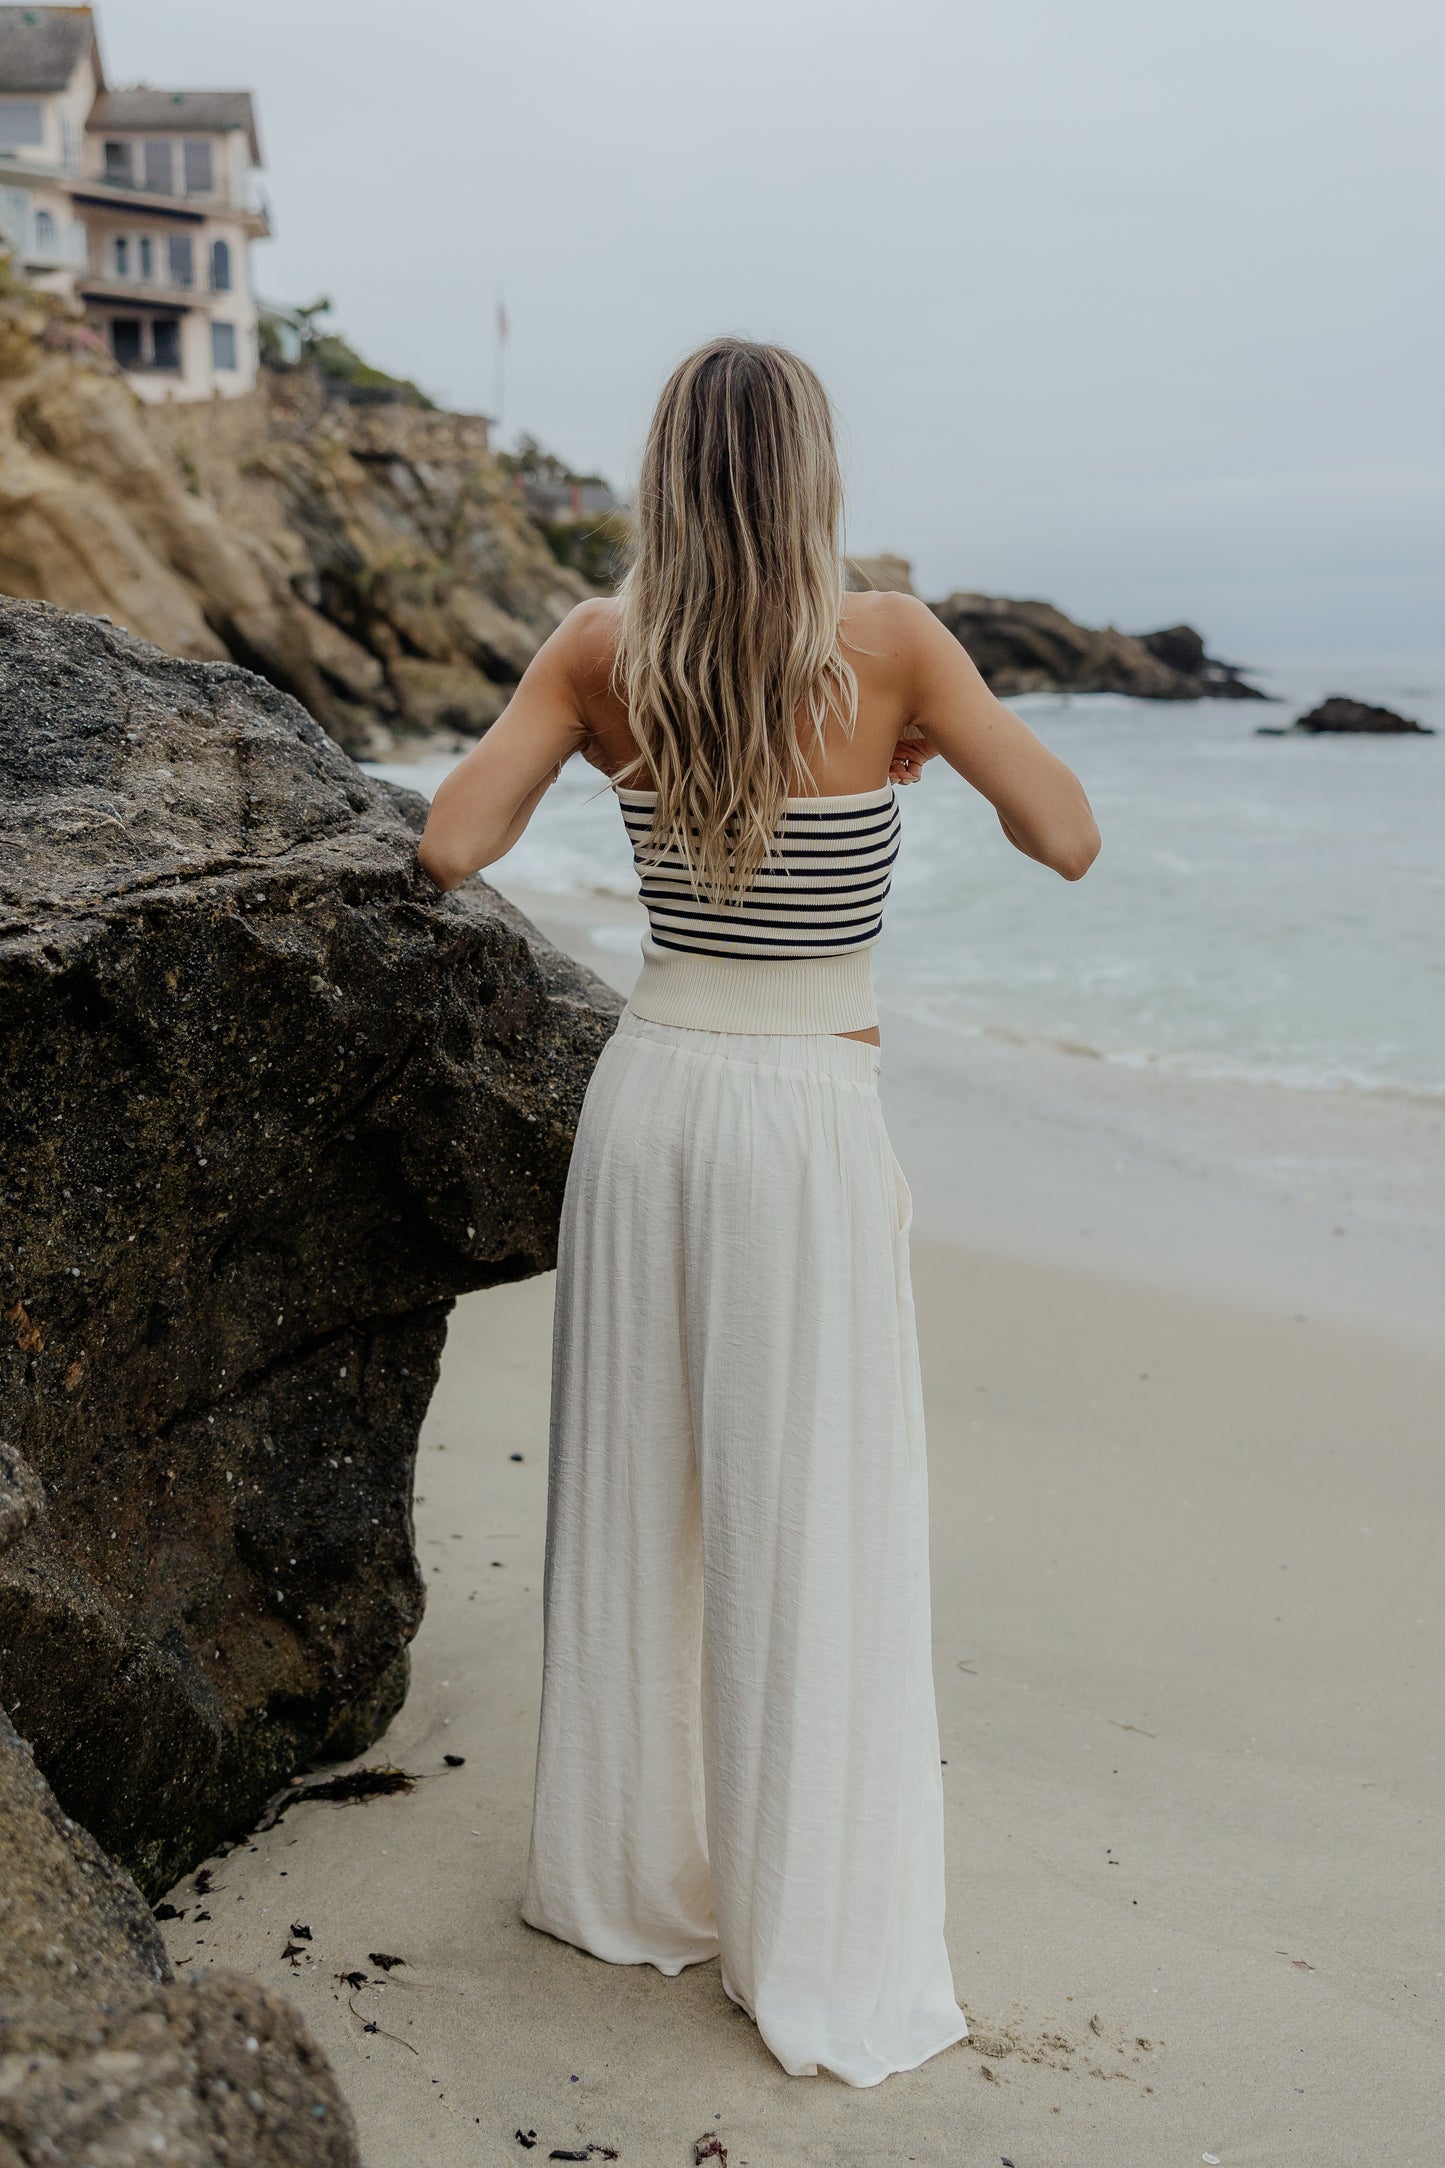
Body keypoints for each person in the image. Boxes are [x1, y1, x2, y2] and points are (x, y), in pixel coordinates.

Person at [417, 337, 1100, 2087]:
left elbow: (448, 848)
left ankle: (630, 1879)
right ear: (810, 472)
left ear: (659, 477)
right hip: (800, 1120)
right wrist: (899, 760)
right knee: (812, 1515)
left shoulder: (597, 650)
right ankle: (802, 1922)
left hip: (651, 1105)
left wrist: (604, 739)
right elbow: (1069, 835)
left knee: (643, 1496)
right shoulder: (889, 645)